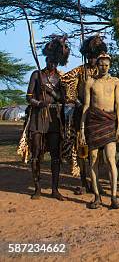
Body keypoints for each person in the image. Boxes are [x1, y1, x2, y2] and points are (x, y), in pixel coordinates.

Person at [61, 35, 107, 194]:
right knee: (81, 149)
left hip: (97, 116)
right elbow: (65, 81)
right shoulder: (79, 71)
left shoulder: (102, 72)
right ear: (86, 55)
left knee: (97, 150)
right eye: (90, 56)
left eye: (95, 57)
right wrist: (76, 100)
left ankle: (96, 181)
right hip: (81, 114)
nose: (92, 59)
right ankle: (83, 181)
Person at [26, 35, 70, 200]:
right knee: (36, 154)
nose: (51, 63)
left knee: (55, 156)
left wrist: (51, 91)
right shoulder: (36, 75)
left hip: (54, 118)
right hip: (38, 118)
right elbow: (28, 97)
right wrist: (39, 103)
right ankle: (37, 188)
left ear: (57, 62)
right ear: (45, 59)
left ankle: (54, 189)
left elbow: (63, 99)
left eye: (54, 61)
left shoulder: (59, 78)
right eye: (49, 60)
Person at [80, 53, 119, 209]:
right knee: (93, 158)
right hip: (94, 123)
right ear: (96, 65)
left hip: (110, 122)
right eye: (101, 64)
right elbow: (86, 106)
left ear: (110, 65)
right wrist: (82, 130)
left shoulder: (115, 81)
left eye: (106, 65)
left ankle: (114, 197)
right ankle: (97, 196)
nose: (103, 67)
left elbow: (118, 105)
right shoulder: (90, 82)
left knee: (111, 159)